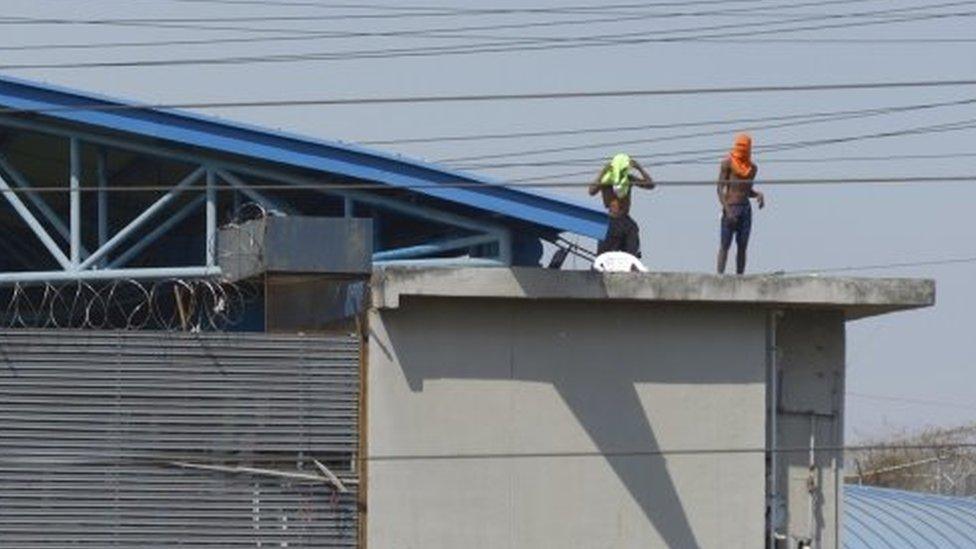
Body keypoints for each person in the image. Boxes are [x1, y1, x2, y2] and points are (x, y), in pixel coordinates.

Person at [716, 133, 765, 274]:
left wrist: (758, 195)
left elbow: (747, 190)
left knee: (742, 246)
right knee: (725, 245)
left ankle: (740, 278)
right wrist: (727, 210)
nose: (742, 150)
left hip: (745, 209)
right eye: (740, 147)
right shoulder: (727, 164)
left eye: (745, 147)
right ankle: (719, 277)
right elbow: (719, 188)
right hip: (730, 207)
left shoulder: (752, 168)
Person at [588, 153, 655, 257]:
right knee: (604, 256)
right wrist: (603, 172)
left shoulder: (628, 179)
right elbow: (591, 191)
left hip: (624, 220)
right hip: (610, 221)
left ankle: (632, 261)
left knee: (632, 234)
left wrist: (639, 168)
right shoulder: (607, 181)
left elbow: (650, 185)